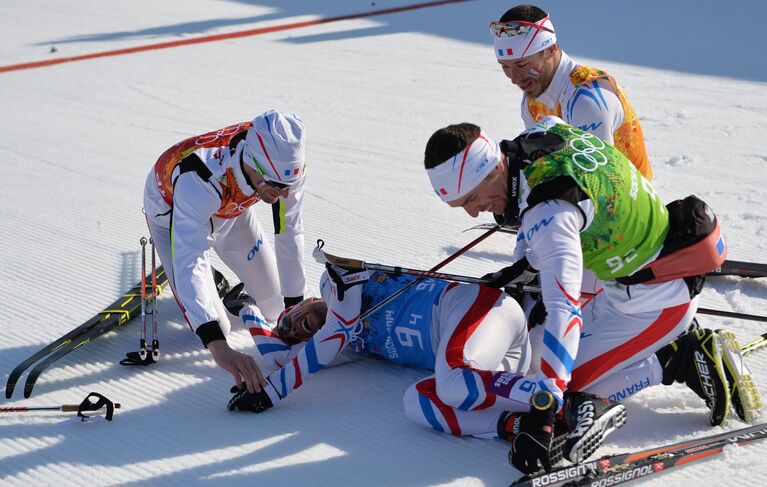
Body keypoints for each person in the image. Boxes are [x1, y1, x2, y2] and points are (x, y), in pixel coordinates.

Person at [423, 116, 748, 474]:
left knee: (555, 385)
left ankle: (676, 355)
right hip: (635, 266)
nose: (473, 211)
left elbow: (564, 309)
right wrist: (530, 264)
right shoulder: (541, 133)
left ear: (490, 170)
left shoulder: (549, 212)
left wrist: (545, 408)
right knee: (544, 360)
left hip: (656, 303)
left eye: (471, 199)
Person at [142, 109, 308, 393]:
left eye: (289, 186)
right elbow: (189, 258)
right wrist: (218, 346)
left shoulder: (285, 168)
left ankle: (219, 288)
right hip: (173, 213)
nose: (283, 195)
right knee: (218, 327)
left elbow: (289, 232)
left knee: (274, 305)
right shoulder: (201, 176)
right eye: (277, 186)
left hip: (233, 211)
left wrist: (294, 308)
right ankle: (208, 287)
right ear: (251, 163)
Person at [490, 5, 653, 180]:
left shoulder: (587, 99)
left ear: (551, 50)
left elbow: (596, 183)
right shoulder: (532, 101)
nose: (514, 78)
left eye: (522, 65)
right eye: (505, 67)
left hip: (624, 201)